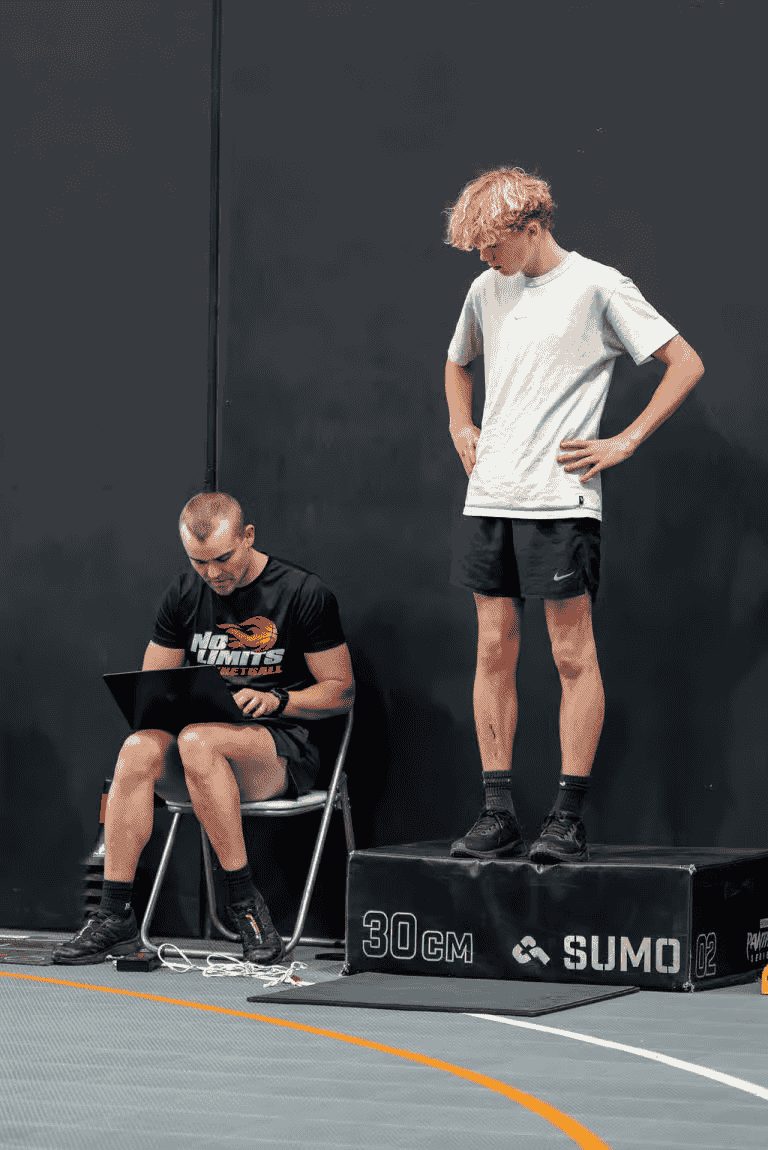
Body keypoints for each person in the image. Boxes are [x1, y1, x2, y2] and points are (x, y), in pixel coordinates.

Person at [444, 166, 704, 864]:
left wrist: (625, 441)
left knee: (568, 653)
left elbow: (684, 362)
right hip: (491, 494)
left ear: (533, 227)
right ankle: (497, 811)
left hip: (560, 500)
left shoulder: (598, 285)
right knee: (493, 649)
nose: (483, 256)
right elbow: (457, 362)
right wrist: (458, 423)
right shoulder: (485, 288)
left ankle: (566, 816)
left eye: (492, 243)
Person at [53, 492, 354, 965]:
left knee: (198, 740)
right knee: (137, 747)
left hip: (279, 751)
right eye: (199, 562)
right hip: (202, 753)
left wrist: (279, 698)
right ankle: (115, 917)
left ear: (247, 537)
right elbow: (152, 692)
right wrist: (161, 709)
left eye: (223, 558)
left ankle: (245, 905)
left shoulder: (302, 592)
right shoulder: (182, 595)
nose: (213, 574)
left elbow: (341, 692)